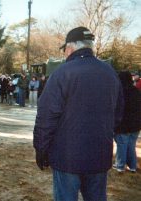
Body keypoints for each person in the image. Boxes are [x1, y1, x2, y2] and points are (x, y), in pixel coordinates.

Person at [33, 27, 123, 201]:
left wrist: (41, 148)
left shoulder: (61, 73)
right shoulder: (110, 73)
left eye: (65, 48)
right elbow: (118, 114)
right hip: (99, 154)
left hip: (67, 157)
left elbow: (46, 117)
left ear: (70, 47)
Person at [113, 71, 141, 173]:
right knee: (130, 145)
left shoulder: (120, 92)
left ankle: (120, 165)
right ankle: (132, 166)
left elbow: (117, 108)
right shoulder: (136, 91)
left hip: (124, 125)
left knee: (122, 145)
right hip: (136, 125)